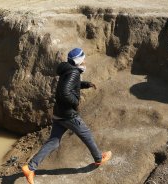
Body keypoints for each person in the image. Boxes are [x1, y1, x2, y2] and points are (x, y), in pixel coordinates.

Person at [21, 48, 112, 184]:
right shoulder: (74, 72)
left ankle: (30, 167)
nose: (85, 61)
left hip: (59, 113)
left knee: (53, 142)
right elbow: (65, 92)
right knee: (86, 134)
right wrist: (75, 101)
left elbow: (69, 85)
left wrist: (85, 84)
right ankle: (99, 158)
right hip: (68, 115)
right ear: (78, 60)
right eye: (83, 58)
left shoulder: (67, 70)